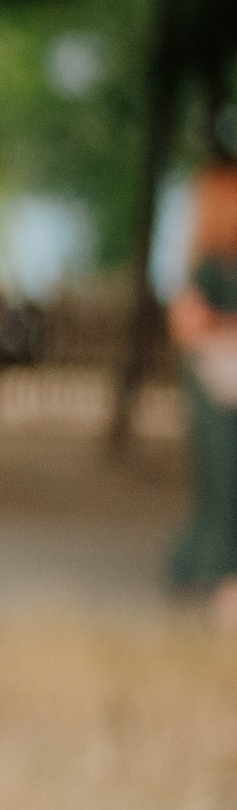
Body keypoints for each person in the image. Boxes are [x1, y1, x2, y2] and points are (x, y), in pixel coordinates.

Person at [168, 161, 237, 630]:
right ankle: (210, 577)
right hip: (216, 387)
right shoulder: (207, 268)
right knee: (222, 484)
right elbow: (187, 323)